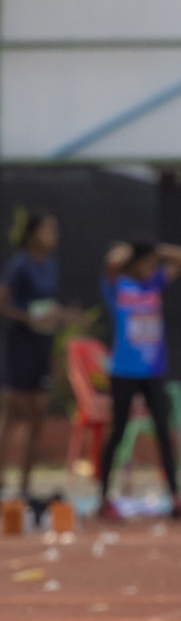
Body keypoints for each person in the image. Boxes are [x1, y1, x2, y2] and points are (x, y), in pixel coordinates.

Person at [98, 239, 181, 522]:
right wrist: (130, 254)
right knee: (117, 433)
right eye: (146, 263)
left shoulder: (154, 284)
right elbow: (111, 262)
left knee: (163, 434)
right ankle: (104, 498)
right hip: (124, 371)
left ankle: (176, 499)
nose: (151, 268)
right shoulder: (118, 286)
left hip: (153, 370)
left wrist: (156, 251)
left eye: (153, 264)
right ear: (134, 263)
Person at [0, 211, 78, 522]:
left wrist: (62, 316)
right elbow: (4, 304)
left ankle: (25, 486)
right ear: (33, 234)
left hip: (41, 347)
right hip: (20, 345)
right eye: (48, 230)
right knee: (12, 412)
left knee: (39, 413)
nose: (53, 236)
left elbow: (46, 305)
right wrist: (30, 318)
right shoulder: (19, 264)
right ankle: (2, 481)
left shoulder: (52, 266)